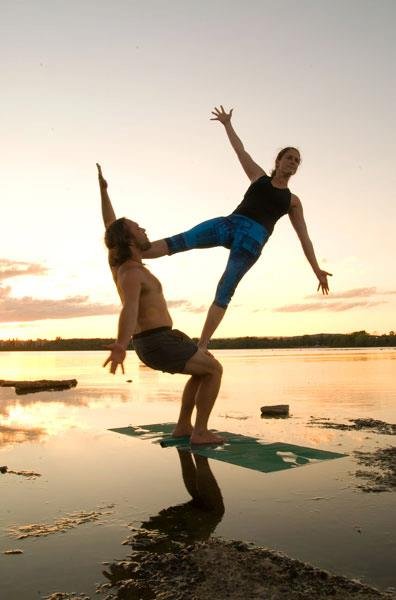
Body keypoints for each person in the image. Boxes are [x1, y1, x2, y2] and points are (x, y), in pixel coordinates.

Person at [100, 106, 332, 349]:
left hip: (252, 241)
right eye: (289, 157)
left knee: (225, 289)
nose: (293, 162)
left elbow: (303, 237)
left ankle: (202, 345)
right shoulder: (259, 177)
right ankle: (127, 254)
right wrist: (227, 124)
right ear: (279, 161)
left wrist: (316, 268)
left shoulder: (293, 201)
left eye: (297, 161)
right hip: (230, 224)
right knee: (182, 240)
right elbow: (240, 150)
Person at [97, 163, 224, 445]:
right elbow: (129, 309)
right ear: (128, 240)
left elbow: (110, 226)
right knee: (215, 371)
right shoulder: (130, 273)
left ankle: (183, 427)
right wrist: (120, 344)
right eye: (137, 228)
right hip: (155, 342)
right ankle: (199, 433)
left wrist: (104, 192)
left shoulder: (126, 265)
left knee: (206, 369)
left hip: (164, 338)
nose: (143, 229)